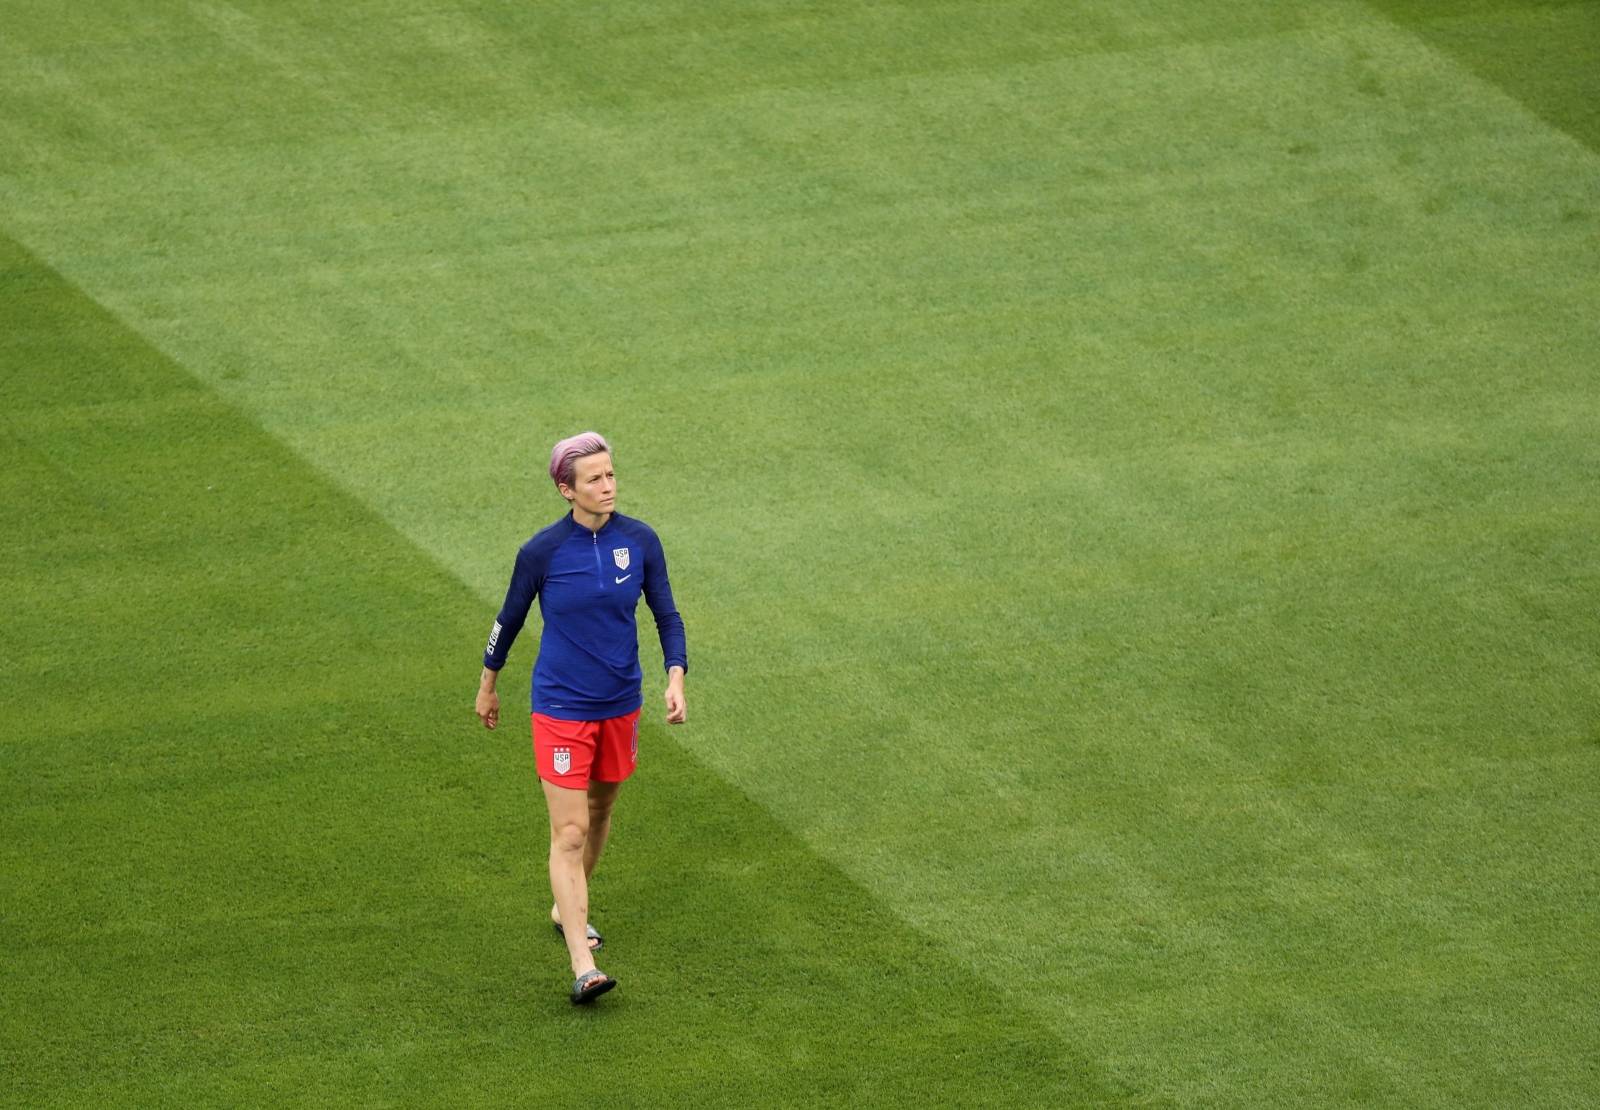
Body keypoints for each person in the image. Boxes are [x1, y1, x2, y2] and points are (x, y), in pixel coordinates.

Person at [474, 431, 687, 1005]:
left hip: (621, 704)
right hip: (561, 708)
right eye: (594, 479)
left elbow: (666, 612)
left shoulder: (640, 541)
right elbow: (507, 620)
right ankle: (581, 960)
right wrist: (488, 685)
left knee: (600, 811)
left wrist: (675, 676)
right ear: (567, 490)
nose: (608, 486)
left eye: (611, 475)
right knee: (569, 831)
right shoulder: (542, 552)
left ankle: (565, 904)